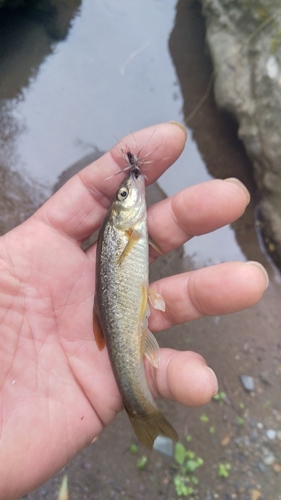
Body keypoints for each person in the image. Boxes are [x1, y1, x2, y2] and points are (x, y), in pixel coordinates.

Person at [0, 122, 268, 500]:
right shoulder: (125, 228)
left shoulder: (126, 228)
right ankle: (139, 406)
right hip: (125, 308)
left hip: (125, 305)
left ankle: (142, 410)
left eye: (124, 191)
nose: (133, 189)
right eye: (127, 192)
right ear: (123, 213)